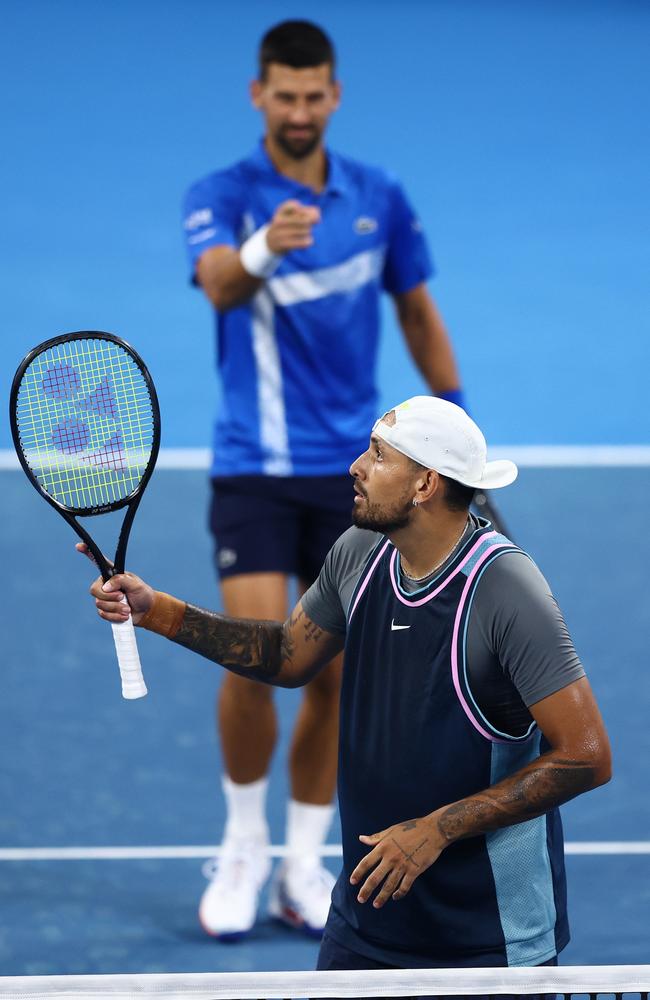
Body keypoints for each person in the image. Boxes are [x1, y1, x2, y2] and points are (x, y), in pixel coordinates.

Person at [82, 396, 611, 972]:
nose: (356, 466)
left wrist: (438, 830)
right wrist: (156, 609)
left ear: (425, 484)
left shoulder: (505, 590)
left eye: (378, 456)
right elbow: (287, 656)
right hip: (365, 924)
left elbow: (586, 757)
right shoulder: (359, 553)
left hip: (488, 939)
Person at [181, 20, 466, 938]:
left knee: (333, 676)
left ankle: (303, 859)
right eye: (284, 95)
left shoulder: (378, 196)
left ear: (333, 97)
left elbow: (417, 311)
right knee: (256, 654)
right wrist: (266, 245)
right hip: (254, 469)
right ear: (258, 95)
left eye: (315, 96)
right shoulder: (223, 195)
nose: (300, 111)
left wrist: (455, 429)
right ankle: (241, 846)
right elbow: (220, 283)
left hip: (357, 475)